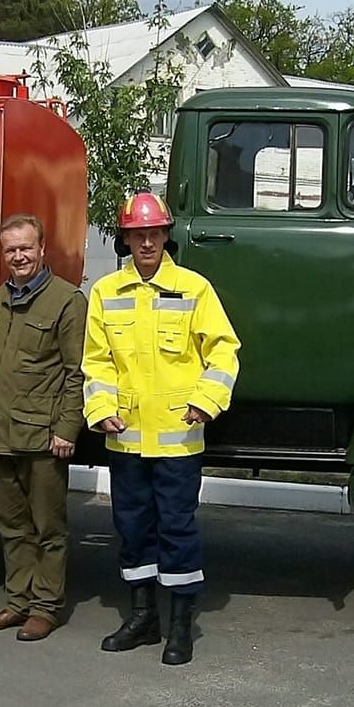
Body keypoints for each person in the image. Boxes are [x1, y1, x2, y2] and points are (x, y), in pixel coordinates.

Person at [82, 191, 240, 666]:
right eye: (138, 234)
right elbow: (96, 362)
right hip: (126, 438)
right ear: (126, 239)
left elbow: (223, 350)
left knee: (176, 530)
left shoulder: (194, 288)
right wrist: (101, 409)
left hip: (177, 439)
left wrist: (206, 403)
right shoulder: (106, 293)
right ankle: (143, 618)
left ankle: (179, 627)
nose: (147, 242)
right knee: (132, 530)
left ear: (166, 235)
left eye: (154, 233)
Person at [0, 213, 87, 642]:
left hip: (43, 438)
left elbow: (78, 372)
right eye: (10, 250)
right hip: (1, 436)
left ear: (42, 250)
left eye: (25, 248)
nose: (18, 256)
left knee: (48, 529)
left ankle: (45, 607)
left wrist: (67, 429)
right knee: (12, 526)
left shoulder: (66, 301)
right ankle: (17, 602)